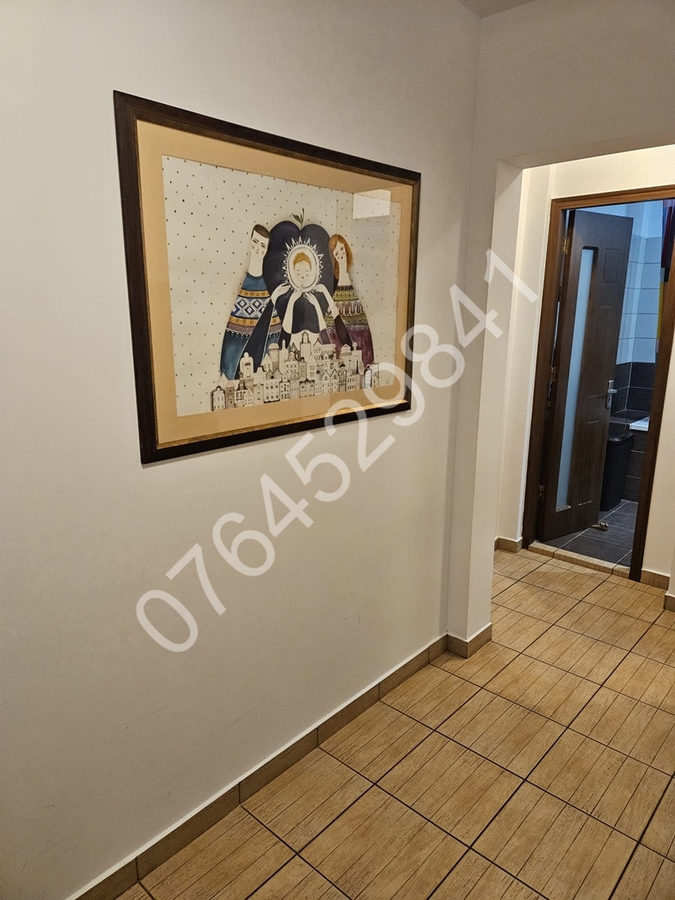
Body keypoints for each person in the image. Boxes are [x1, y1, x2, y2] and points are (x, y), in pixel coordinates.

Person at [218, 225, 284, 382]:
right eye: (255, 242)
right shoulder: (240, 284)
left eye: (262, 246)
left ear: (266, 250)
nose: (257, 249)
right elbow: (231, 337)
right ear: (249, 242)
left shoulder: (268, 288)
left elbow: (272, 336)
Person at [276, 246, 352, 351]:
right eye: (298, 272)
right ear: (292, 271)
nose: (302, 276)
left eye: (306, 272)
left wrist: (320, 299)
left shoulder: (319, 293)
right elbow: (283, 339)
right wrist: (292, 301)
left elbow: (329, 335)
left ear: (312, 271)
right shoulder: (286, 294)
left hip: (318, 347)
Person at [327, 234, 374, 365]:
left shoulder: (353, 290)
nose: (341, 255)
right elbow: (330, 326)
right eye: (336, 253)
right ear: (334, 257)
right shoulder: (335, 290)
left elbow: (362, 331)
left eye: (342, 249)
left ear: (346, 249)